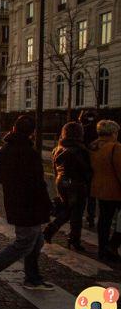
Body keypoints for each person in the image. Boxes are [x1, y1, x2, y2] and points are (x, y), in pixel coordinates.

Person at [0, 115, 54, 293]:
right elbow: (38, 183)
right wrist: (47, 203)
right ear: (32, 133)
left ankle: (32, 278)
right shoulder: (29, 153)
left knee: (37, 240)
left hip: (15, 201)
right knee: (25, 243)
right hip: (29, 204)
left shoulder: (4, 150)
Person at [43, 122, 92, 251]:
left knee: (67, 210)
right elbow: (86, 169)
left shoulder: (58, 148)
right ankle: (74, 239)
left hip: (61, 182)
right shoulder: (81, 150)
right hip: (76, 183)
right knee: (76, 213)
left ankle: (51, 230)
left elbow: (55, 168)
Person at [88, 120, 121, 262]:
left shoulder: (93, 146)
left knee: (104, 220)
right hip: (115, 189)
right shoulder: (115, 147)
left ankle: (103, 249)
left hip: (98, 188)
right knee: (117, 220)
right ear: (113, 132)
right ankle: (112, 245)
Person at [80, 110, 98, 227]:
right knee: (91, 195)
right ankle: (90, 218)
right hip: (93, 165)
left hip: (81, 165)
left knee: (81, 195)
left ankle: (78, 216)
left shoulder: (81, 130)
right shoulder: (97, 131)